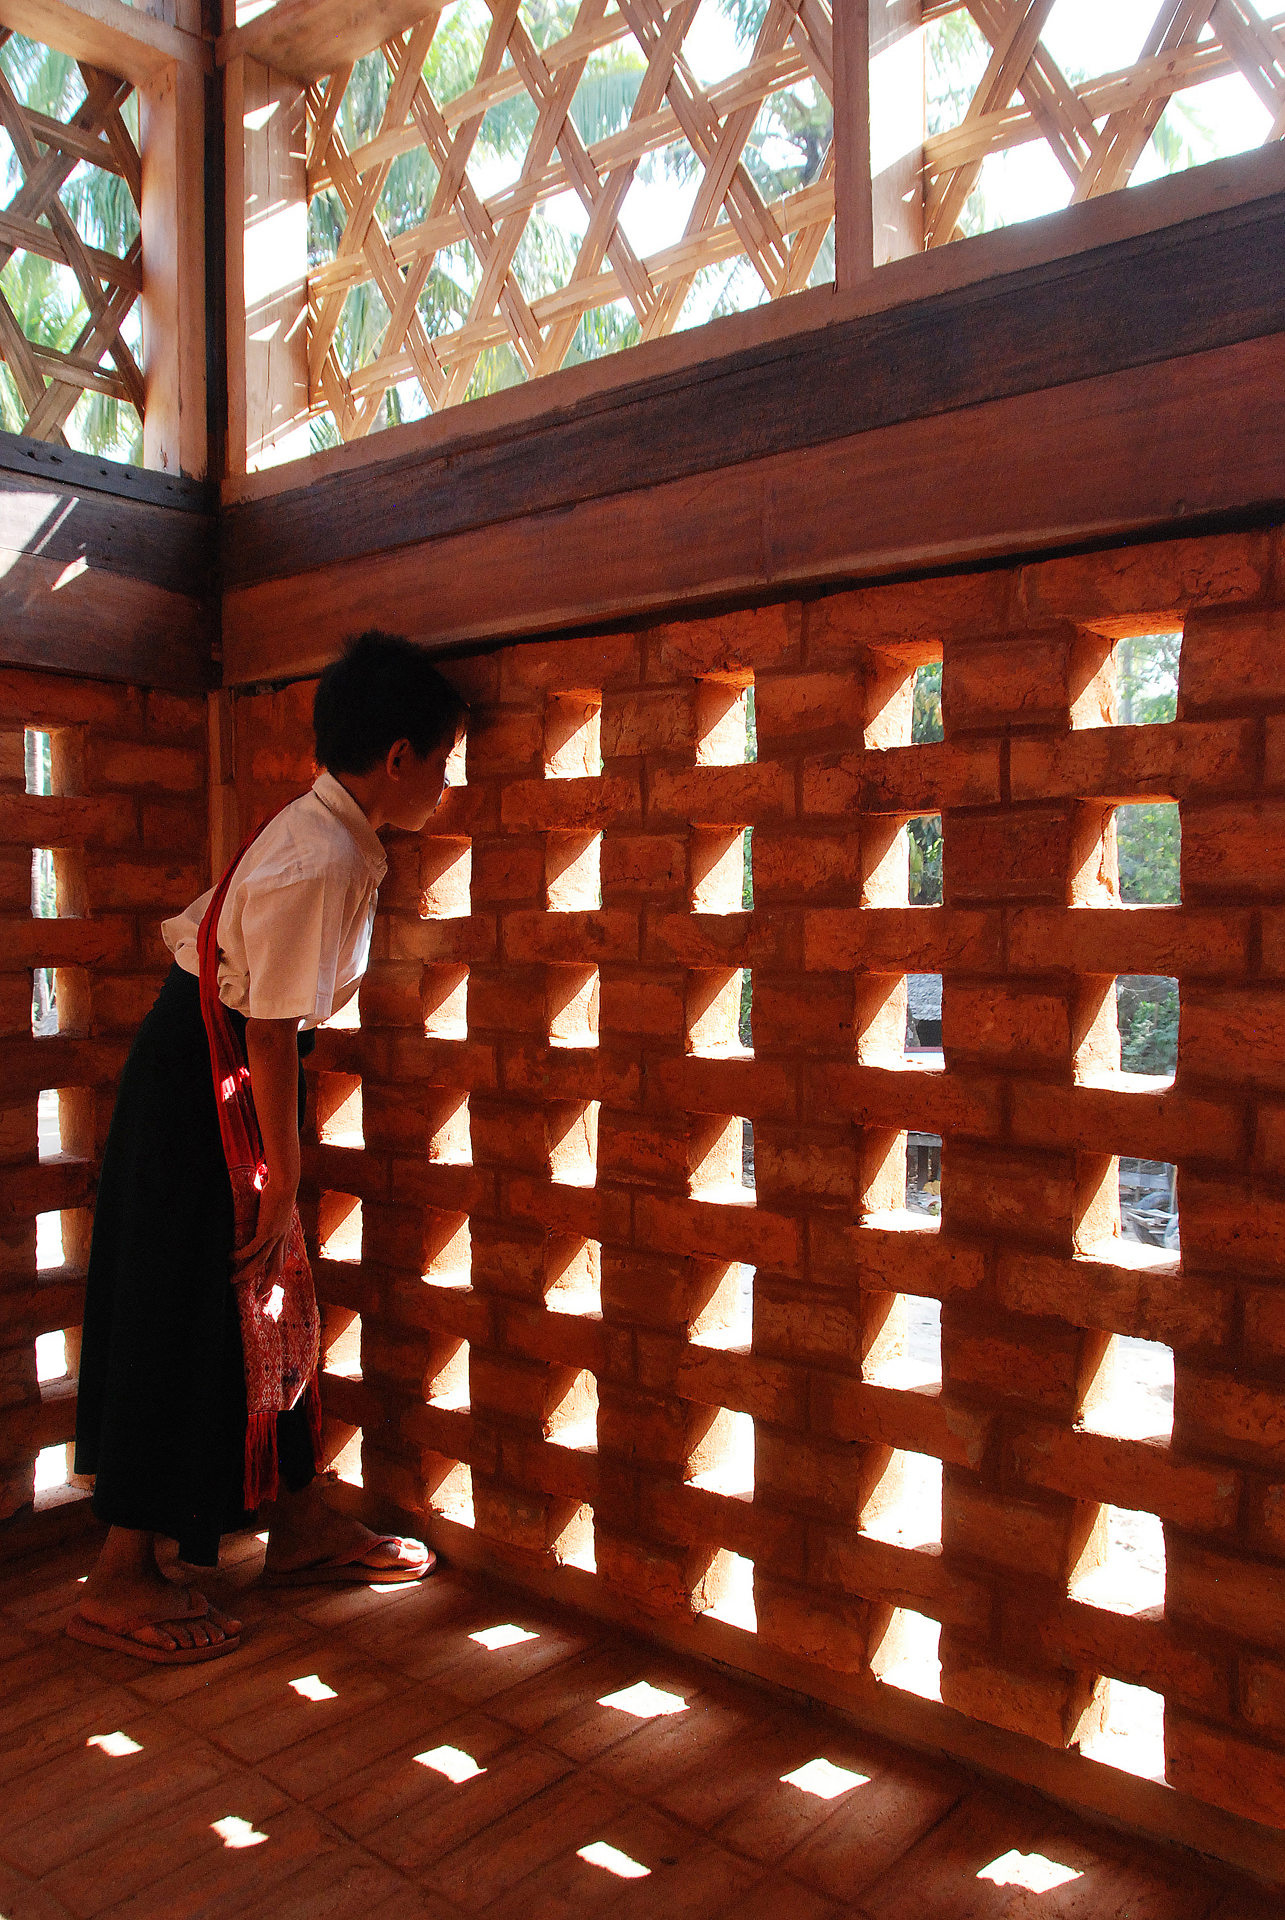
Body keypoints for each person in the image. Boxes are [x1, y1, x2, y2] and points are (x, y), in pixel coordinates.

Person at [68, 632, 468, 1663]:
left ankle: (297, 1522)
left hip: (220, 1069)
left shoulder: (333, 834)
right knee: (187, 1298)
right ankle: (120, 1574)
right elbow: (271, 1030)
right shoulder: (318, 853)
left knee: (267, 1301)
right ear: (397, 759)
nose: (447, 778)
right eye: (443, 758)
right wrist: (282, 1176)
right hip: (201, 1080)